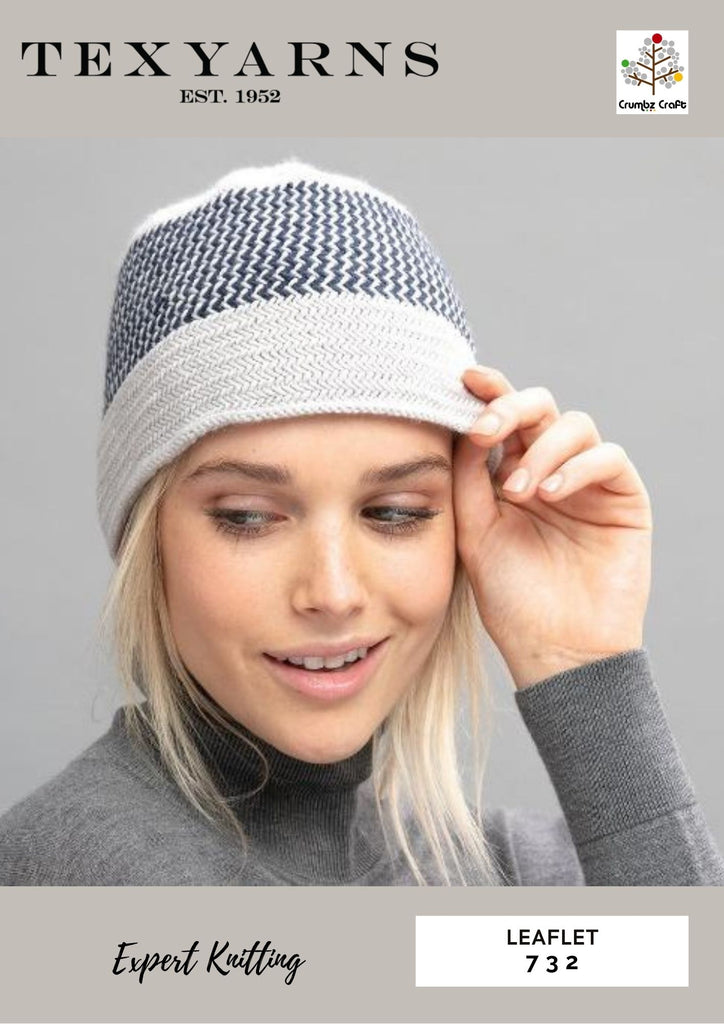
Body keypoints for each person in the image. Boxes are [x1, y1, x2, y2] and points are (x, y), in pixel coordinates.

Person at [1, 159, 722, 887]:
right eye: (248, 518)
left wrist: (585, 668)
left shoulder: (509, 869)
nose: (334, 592)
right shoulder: (78, 873)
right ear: (145, 540)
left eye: (395, 513)